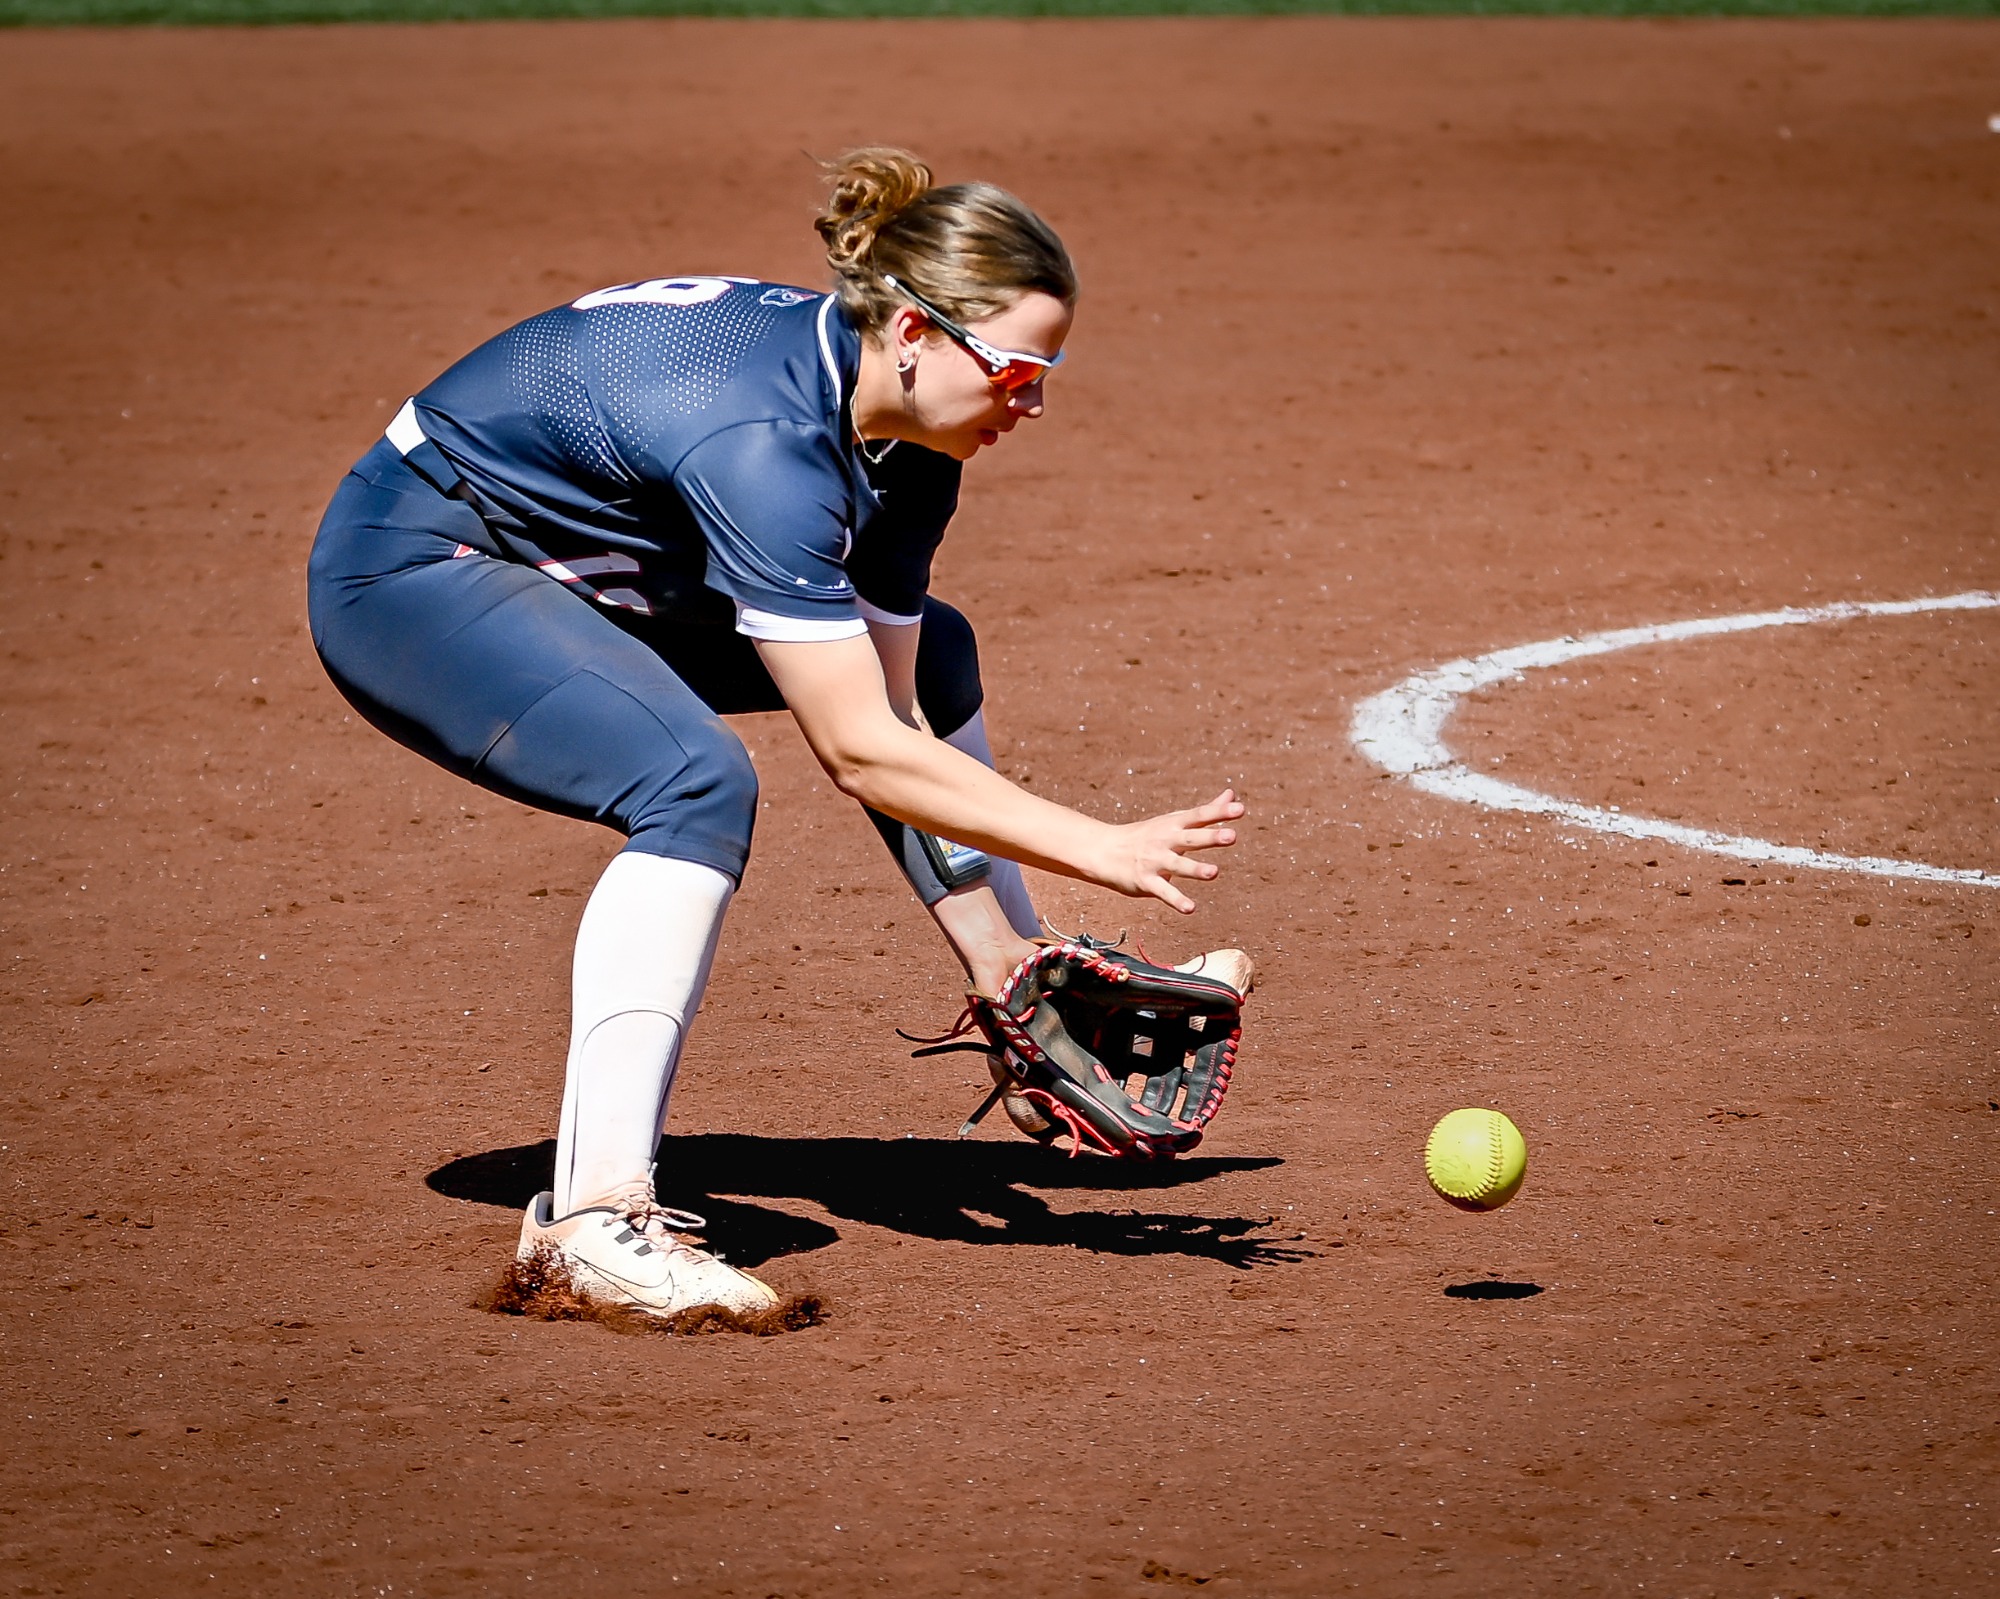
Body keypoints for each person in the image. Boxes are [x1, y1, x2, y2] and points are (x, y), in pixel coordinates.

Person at [306, 148, 1248, 1320]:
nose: (1033, 402)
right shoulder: (763, 445)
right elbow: (853, 750)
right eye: (1012, 369)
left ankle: (1019, 992)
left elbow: (898, 711)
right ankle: (593, 1220)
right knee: (691, 782)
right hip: (415, 568)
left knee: (932, 646)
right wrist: (1092, 844)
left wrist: (1006, 958)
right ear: (914, 332)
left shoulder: (907, 444)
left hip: (591, 565)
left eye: (1046, 372)